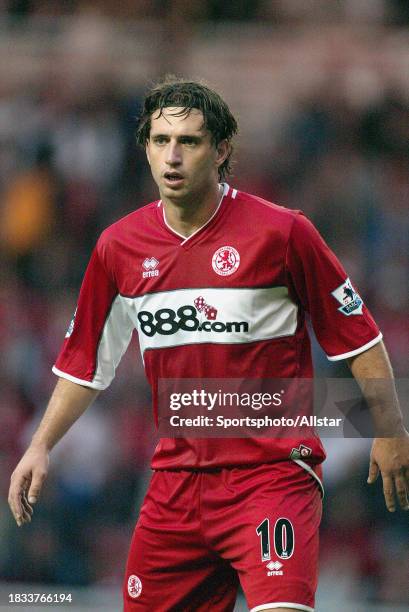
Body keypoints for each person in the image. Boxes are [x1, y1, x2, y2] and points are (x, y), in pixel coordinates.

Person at [8, 76, 409, 612]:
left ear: (221, 151)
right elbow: (85, 365)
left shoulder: (282, 233)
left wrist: (389, 429)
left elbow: (359, 337)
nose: (172, 156)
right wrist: (40, 444)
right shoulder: (118, 248)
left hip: (272, 477)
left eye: (189, 142)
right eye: (159, 141)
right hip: (175, 487)